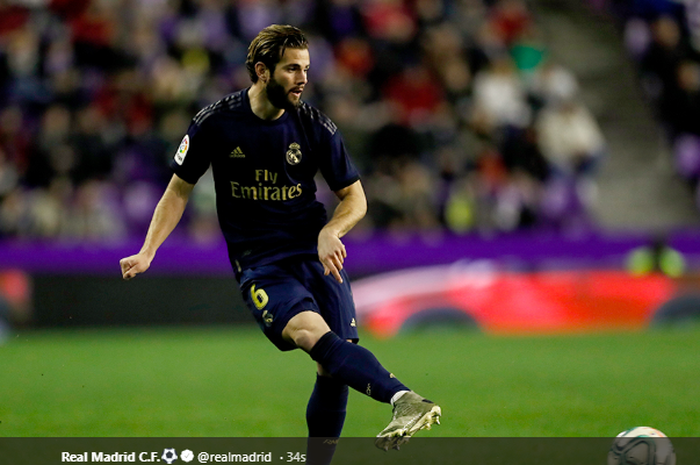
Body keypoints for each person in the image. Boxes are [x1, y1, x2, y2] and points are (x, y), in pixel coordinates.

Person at [119, 24, 441, 460]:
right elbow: (178, 189)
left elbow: (355, 197)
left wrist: (331, 231)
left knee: (335, 363)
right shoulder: (216, 122)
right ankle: (404, 399)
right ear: (262, 71)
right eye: (292, 69)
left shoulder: (314, 126)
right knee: (310, 332)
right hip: (261, 261)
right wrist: (148, 249)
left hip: (314, 252)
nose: (303, 78)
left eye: (306, 68)